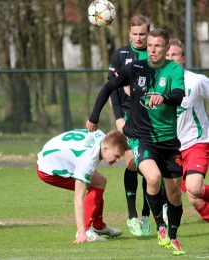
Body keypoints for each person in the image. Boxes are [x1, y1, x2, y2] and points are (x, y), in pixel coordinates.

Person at [86, 29, 186, 255]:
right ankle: (159, 225)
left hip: (168, 141)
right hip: (141, 137)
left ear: (166, 48)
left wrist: (165, 98)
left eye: (158, 46)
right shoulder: (135, 67)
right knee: (152, 177)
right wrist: (94, 116)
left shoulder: (173, 70)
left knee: (175, 194)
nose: (152, 49)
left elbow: (179, 95)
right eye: (150, 45)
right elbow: (109, 86)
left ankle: (173, 236)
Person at [36, 129, 129, 243]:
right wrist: (81, 233)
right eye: (116, 156)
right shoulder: (88, 159)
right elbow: (78, 198)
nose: (118, 160)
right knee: (98, 182)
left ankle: (98, 226)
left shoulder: (102, 138)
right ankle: (85, 231)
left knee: (99, 182)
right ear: (105, 148)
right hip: (48, 170)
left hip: (52, 154)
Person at [109, 14, 152, 237]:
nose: (138, 38)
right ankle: (132, 216)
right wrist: (118, 117)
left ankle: (146, 213)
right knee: (133, 161)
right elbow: (112, 89)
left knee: (150, 167)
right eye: (134, 34)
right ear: (129, 34)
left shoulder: (155, 54)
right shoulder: (120, 55)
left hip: (151, 118)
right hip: (128, 118)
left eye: (142, 34)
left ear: (148, 33)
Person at [166, 39, 209, 224]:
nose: (170, 58)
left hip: (197, 142)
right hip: (173, 148)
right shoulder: (157, 84)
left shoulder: (196, 81)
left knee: (195, 188)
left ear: (183, 59)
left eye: (174, 55)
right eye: (166, 55)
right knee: (194, 198)